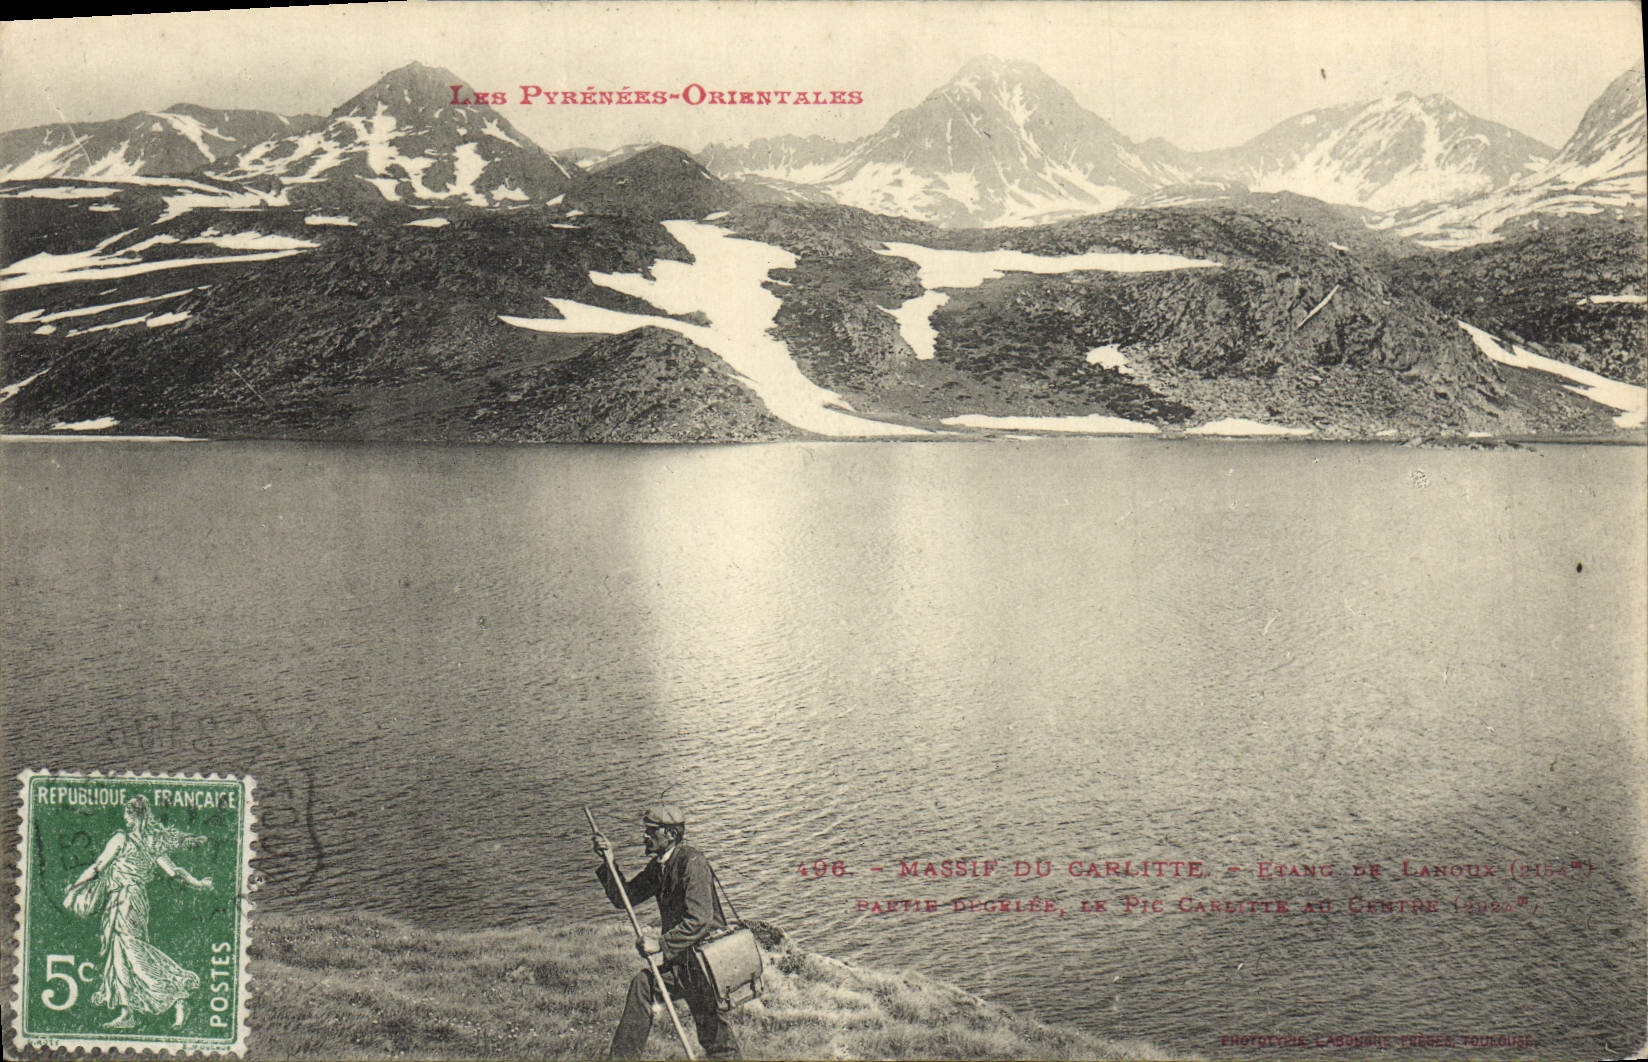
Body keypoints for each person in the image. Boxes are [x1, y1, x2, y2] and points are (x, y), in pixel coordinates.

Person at [594, 804, 741, 1060]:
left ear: (670, 834)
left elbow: (700, 920)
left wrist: (660, 944)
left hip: (707, 965)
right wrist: (609, 863)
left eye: (651, 831)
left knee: (717, 1041)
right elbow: (624, 898)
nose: (645, 836)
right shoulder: (659, 866)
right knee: (644, 984)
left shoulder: (692, 862)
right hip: (683, 963)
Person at [62, 795, 214, 1029]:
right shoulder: (152, 844)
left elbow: (97, 867)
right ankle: (127, 1012)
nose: (124, 818)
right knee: (120, 952)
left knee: (133, 952)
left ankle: (177, 993)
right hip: (132, 900)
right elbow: (175, 872)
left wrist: (74, 890)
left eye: (127, 814)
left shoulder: (120, 839)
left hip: (124, 900)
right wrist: (199, 883)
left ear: (134, 815)